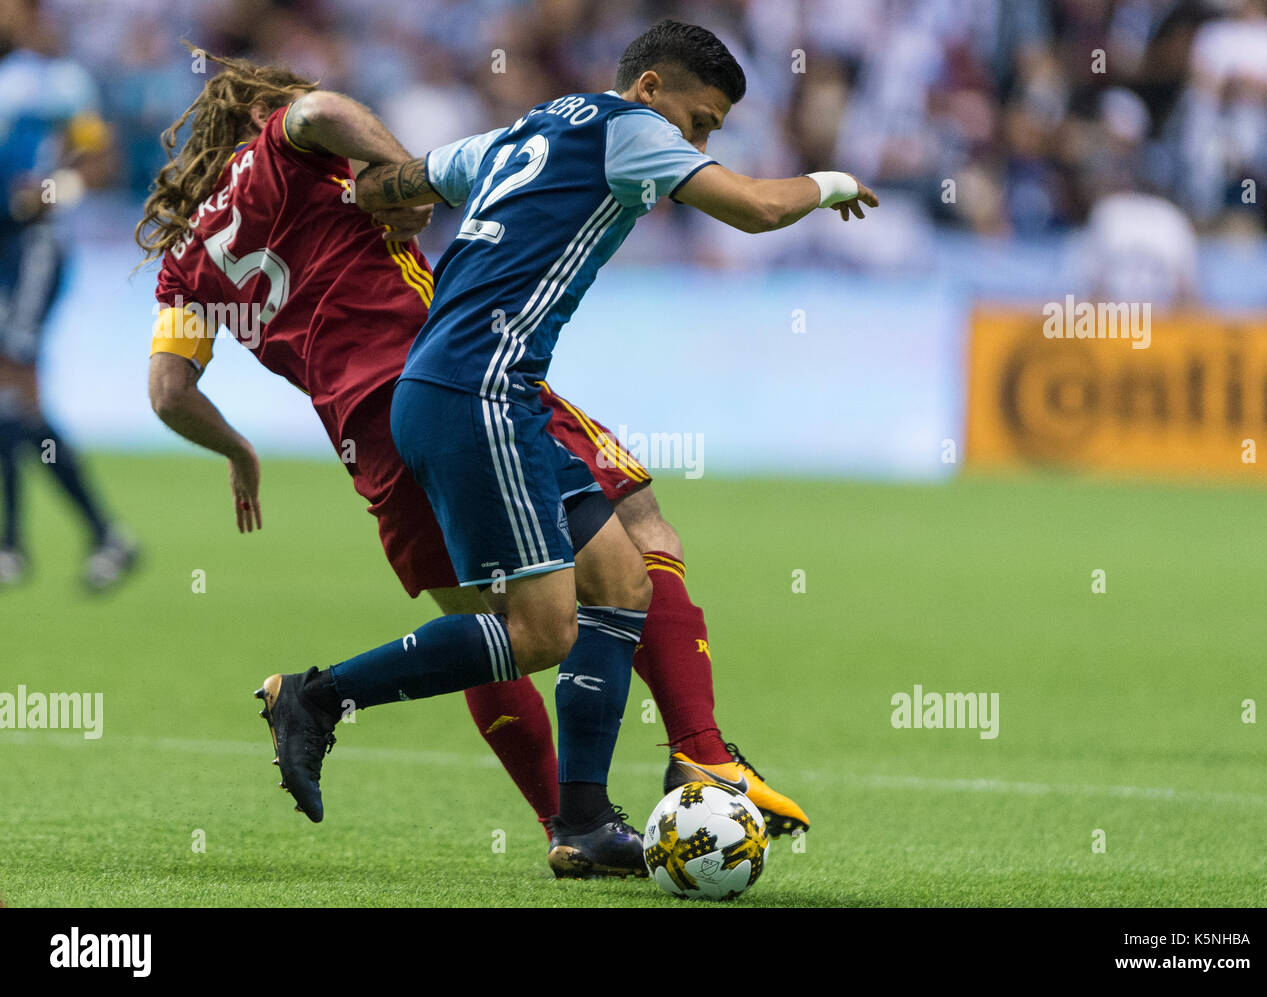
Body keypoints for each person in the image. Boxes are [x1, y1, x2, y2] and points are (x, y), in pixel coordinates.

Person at [137, 48, 807, 879]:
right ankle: (696, 754)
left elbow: (168, 391)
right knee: (632, 533)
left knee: (490, 626)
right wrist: (394, 171)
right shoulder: (284, 147)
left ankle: (570, 822)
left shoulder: (188, 262)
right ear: (256, 113)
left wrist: (236, 446)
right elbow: (321, 113)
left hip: (366, 436)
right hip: (456, 368)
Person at [264, 19, 872, 852]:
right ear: (652, 88)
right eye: (701, 122)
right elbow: (759, 209)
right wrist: (835, 179)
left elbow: (402, 180)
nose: (695, 142)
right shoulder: (635, 130)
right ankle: (320, 695)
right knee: (542, 632)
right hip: (478, 389)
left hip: (472, 386)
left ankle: (584, 824)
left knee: (622, 580)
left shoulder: (527, 129)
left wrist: (373, 195)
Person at [0, 0, 136, 591]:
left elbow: (101, 163)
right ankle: (94, 537)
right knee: (13, 400)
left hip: (32, 246)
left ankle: (19, 545)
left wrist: (48, 191)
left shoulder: (54, 80)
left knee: (14, 379)